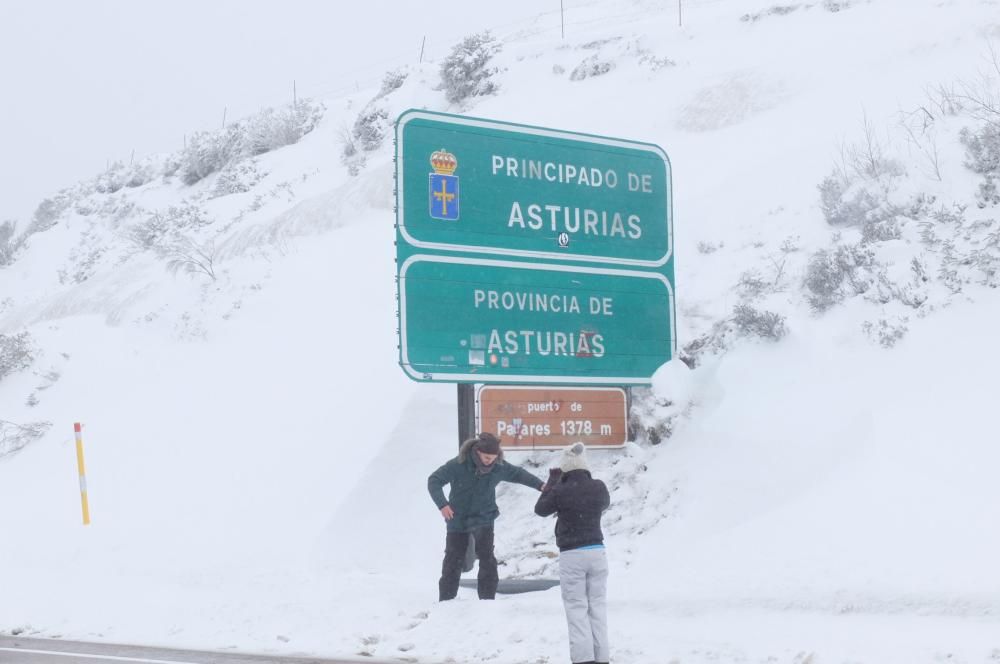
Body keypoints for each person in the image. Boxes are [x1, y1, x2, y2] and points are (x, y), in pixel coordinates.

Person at [427, 431, 545, 601]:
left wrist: (540, 485)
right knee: (453, 558)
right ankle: (446, 600)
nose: (490, 460)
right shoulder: (459, 464)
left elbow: (519, 474)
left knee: (487, 557)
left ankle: (487, 600)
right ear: (477, 452)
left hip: (484, 517)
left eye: (493, 457)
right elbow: (434, 480)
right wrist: (442, 504)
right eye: (486, 457)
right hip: (457, 518)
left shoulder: (498, 467)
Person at [535, 442, 611, 664]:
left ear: (564, 469)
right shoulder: (598, 487)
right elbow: (604, 504)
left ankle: (583, 659)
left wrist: (552, 483)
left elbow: (540, 510)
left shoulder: (560, 490)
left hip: (572, 555)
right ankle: (602, 657)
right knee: (597, 606)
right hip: (598, 552)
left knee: (577, 608)